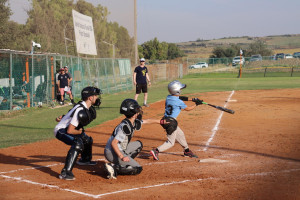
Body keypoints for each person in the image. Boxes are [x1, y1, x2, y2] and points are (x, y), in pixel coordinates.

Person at [103, 99, 162, 179]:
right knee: (137, 169)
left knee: (139, 144)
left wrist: (161, 121)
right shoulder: (125, 127)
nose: (139, 112)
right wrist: (122, 157)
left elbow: (147, 121)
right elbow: (114, 143)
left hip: (120, 149)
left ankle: (124, 163)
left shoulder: (132, 122)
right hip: (112, 152)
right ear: (133, 114)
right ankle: (114, 167)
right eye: (137, 110)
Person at [54, 86, 102, 180]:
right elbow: (70, 131)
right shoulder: (81, 110)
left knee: (87, 140)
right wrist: (80, 131)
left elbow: (70, 114)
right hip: (61, 130)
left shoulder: (86, 107)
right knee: (78, 143)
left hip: (67, 127)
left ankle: (85, 160)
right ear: (90, 98)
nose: (97, 98)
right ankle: (65, 172)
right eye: (95, 96)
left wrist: (64, 117)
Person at [150, 80, 202, 161]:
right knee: (171, 142)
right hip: (171, 123)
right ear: (176, 90)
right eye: (180, 89)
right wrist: (196, 104)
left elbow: (180, 97)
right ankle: (156, 151)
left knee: (180, 134)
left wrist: (193, 99)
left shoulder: (169, 97)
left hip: (166, 119)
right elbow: (188, 109)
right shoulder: (179, 102)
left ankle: (186, 151)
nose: (181, 90)